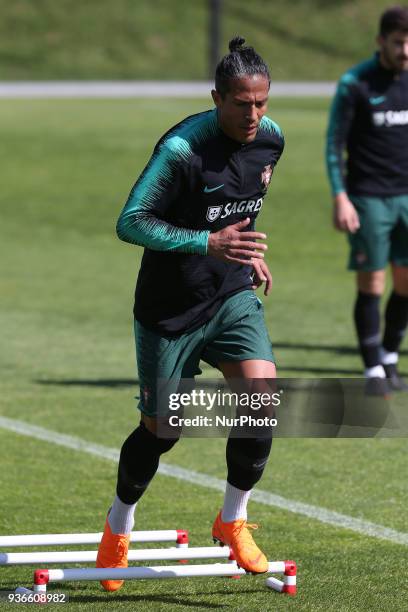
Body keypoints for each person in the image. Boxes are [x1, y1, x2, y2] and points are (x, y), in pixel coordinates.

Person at [95, 36, 284, 592]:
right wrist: (208, 242)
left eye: (263, 103)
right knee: (164, 429)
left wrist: (248, 251)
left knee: (260, 401)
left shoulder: (271, 141)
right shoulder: (182, 148)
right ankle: (118, 526)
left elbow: (242, 203)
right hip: (169, 309)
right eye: (243, 104)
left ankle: (232, 519)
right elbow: (131, 222)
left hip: (229, 295)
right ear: (217, 98)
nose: (255, 115)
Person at [326, 5, 408, 395]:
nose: (406, 50)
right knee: (373, 281)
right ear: (381, 42)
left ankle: (390, 354)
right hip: (368, 197)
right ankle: (372, 368)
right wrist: (341, 196)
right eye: (399, 42)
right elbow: (333, 145)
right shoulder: (356, 83)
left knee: (406, 283)